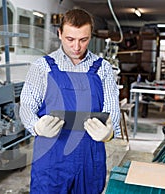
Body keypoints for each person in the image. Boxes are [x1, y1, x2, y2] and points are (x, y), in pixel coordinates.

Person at [19, 8, 121, 194]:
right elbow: (26, 105)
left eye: (83, 40)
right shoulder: (42, 67)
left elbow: (112, 108)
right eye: (70, 39)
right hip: (51, 156)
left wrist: (109, 132)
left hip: (90, 156)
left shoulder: (103, 69)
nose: (76, 47)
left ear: (91, 35)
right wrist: (35, 126)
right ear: (60, 34)